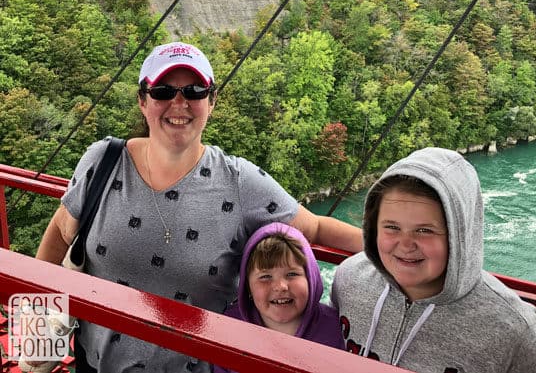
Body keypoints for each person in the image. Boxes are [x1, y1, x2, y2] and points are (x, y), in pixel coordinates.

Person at [35, 41, 362, 373]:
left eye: (193, 91)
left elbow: (315, 227)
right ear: (143, 101)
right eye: (163, 91)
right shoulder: (104, 161)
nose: (179, 103)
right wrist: (37, 337)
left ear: (212, 101)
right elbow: (60, 234)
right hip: (98, 366)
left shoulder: (239, 181)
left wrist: (392, 247)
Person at [331, 147, 536, 373]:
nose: (405, 244)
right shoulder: (350, 279)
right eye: (392, 227)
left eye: (424, 231)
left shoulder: (513, 328)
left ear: (460, 236)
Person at [214, 222, 345, 373]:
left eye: (292, 274)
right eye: (265, 277)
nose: (281, 286)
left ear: (311, 279)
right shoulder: (229, 326)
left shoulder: (337, 329)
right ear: (247, 286)